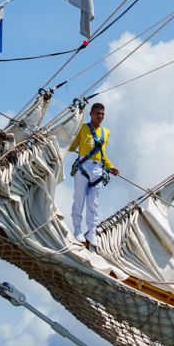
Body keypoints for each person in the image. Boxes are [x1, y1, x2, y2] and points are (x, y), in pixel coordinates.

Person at [66, 102, 120, 252]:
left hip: (97, 168)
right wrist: (68, 133)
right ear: (90, 113)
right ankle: (77, 229)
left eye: (102, 114)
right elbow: (71, 147)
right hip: (83, 166)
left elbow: (102, 154)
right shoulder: (82, 128)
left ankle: (92, 232)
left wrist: (110, 167)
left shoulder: (106, 132)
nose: (100, 116)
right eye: (97, 113)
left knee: (93, 203)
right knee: (79, 198)